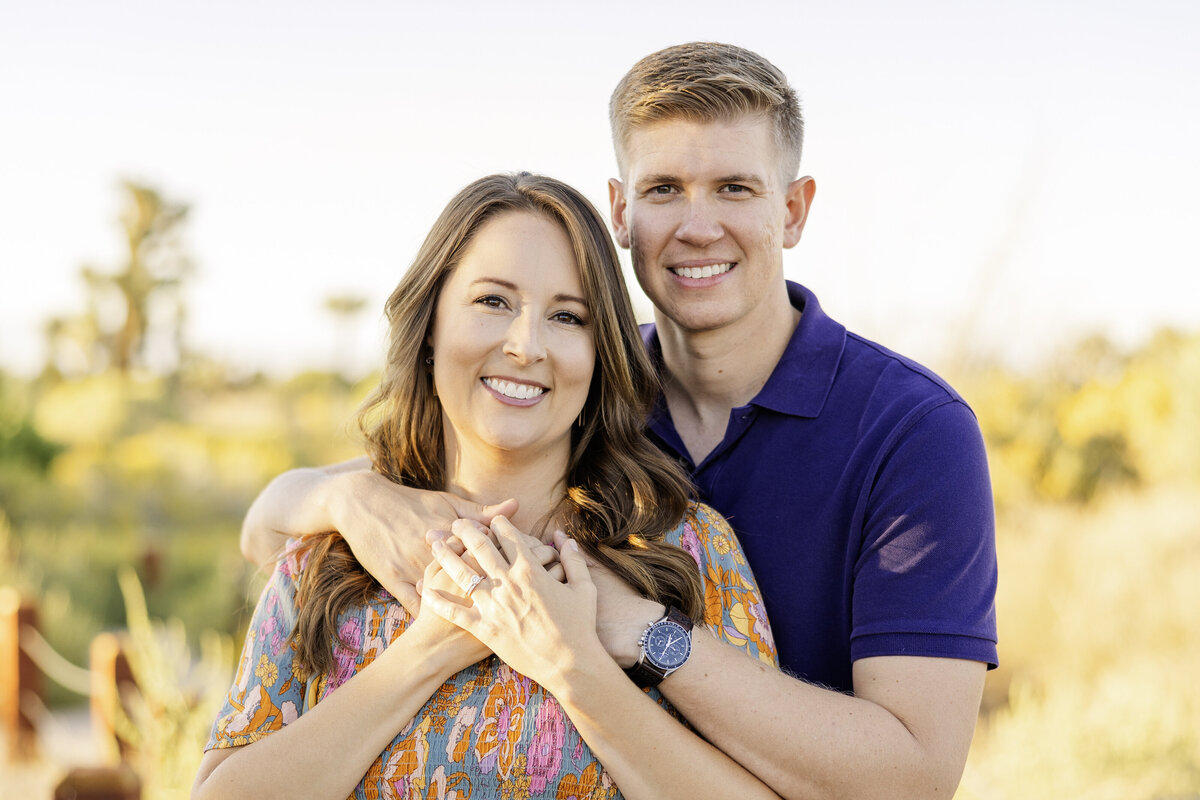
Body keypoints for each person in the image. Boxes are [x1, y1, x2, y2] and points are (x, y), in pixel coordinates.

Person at [241, 43, 998, 799]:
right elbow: (284, 524)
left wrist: (636, 629)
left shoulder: (912, 431)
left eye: (734, 187)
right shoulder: (574, 385)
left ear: (793, 210)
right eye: (665, 188)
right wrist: (341, 497)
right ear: (622, 211)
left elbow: (915, 780)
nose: (698, 227)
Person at [193, 172, 779, 800]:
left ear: (600, 352)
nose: (526, 346)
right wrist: (430, 647)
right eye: (492, 302)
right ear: (430, 327)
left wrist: (573, 666)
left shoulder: (688, 549)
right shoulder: (331, 556)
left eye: (566, 316)